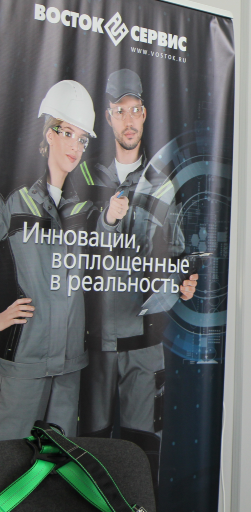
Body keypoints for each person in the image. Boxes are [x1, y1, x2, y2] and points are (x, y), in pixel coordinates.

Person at [70, 69, 198, 486]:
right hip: (92, 341)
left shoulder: (163, 185)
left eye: (136, 110)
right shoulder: (83, 177)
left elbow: (177, 254)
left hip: (144, 344)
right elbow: (68, 251)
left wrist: (184, 283)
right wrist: (106, 220)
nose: (129, 121)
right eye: (120, 111)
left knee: (142, 453)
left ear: (144, 115)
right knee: (88, 452)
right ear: (108, 117)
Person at [0, 80, 109, 440]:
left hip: (69, 363)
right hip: (24, 360)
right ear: (49, 133)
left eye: (83, 138)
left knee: (61, 463)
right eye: (68, 133)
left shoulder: (84, 207)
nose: (76, 146)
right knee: (11, 463)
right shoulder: (13, 200)